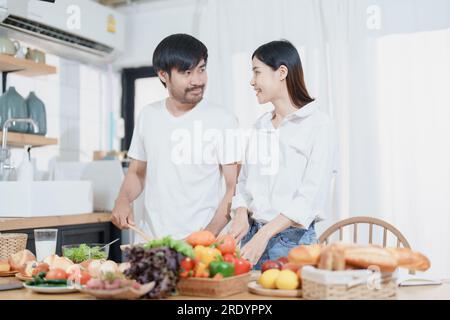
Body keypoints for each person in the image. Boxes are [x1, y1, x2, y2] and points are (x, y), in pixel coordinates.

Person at [112, 34, 241, 240]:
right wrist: (122, 200)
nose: (198, 80)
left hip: (200, 247)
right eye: (187, 72)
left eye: (202, 69)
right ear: (163, 75)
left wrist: (204, 237)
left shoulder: (223, 120)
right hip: (150, 243)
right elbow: (137, 173)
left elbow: (234, 188)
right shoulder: (148, 115)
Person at [228, 40, 337, 269]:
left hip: (293, 245)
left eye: (257, 72)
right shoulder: (260, 126)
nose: (252, 81)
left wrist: (265, 234)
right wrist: (240, 212)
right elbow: (245, 182)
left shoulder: (319, 125)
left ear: (282, 72)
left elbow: (310, 197)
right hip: (253, 240)